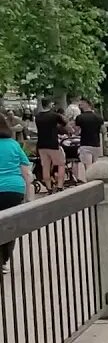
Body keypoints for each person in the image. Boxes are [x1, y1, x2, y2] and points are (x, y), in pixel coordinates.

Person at [0, 116, 35, 274]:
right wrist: (29, 196)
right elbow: (26, 172)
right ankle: (3, 260)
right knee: (9, 225)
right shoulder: (14, 145)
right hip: (14, 189)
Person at [34, 99, 67, 192]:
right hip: (52, 143)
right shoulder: (54, 115)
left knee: (45, 166)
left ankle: (49, 188)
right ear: (50, 104)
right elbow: (64, 123)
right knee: (61, 164)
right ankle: (60, 186)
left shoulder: (38, 116)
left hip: (41, 144)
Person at [74, 98, 104, 169]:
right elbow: (103, 130)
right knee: (94, 166)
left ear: (86, 104)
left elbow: (76, 131)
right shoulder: (98, 117)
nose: (80, 106)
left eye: (81, 104)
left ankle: (90, 180)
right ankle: (95, 179)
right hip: (96, 144)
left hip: (85, 144)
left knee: (88, 166)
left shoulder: (80, 117)